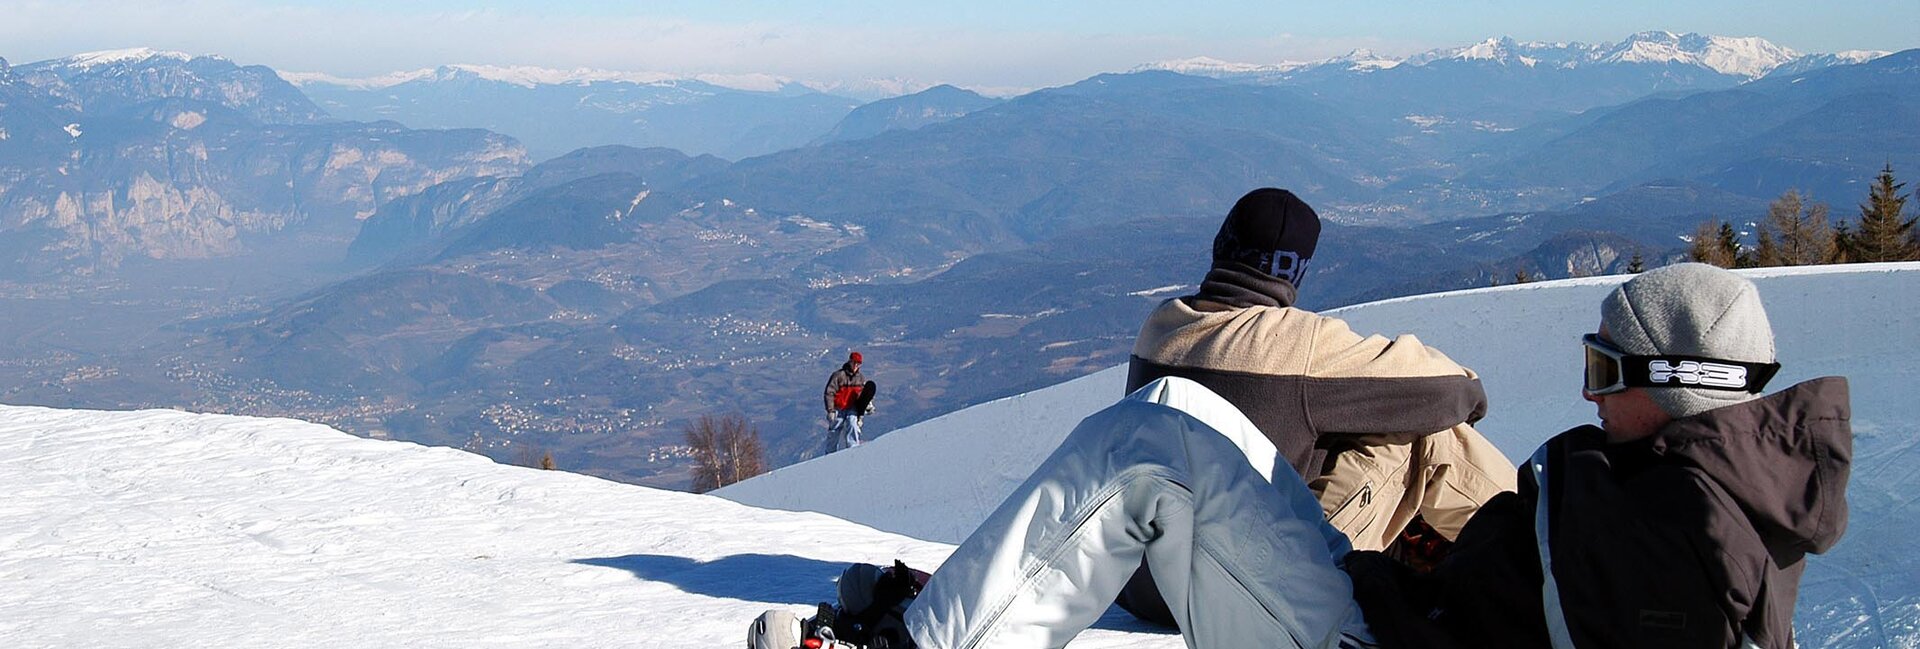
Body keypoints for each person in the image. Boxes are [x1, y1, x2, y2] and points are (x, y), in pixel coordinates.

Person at [755, 263, 1850, 649]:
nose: (1585, 392)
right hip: (1391, 610)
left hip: (1378, 641)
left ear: (1680, 387)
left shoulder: (1691, 531)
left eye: (1605, 372)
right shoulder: (1688, 492)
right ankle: (959, 611)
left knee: (1155, 446)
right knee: (1184, 412)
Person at [1118, 188, 1516, 624]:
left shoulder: (1159, 326)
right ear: (1296, 270)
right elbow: (1447, 390)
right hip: (1241, 587)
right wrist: (1472, 399)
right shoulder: (1295, 344)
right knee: (1425, 440)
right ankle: (1540, 549)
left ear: (1221, 244)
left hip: (1150, 585)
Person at [824, 351, 871, 452]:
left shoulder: (860, 378)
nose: (855, 366)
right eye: (854, 363)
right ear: (850, 361)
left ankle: (853, 450)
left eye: (858, 364)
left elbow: (862, 395)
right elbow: (829, 392)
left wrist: (866, 407)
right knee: (834, 430)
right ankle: (830, 454)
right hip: (838, 408)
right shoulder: (838, 376)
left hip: (852, 408)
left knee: (852, 425)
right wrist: (830, 410)